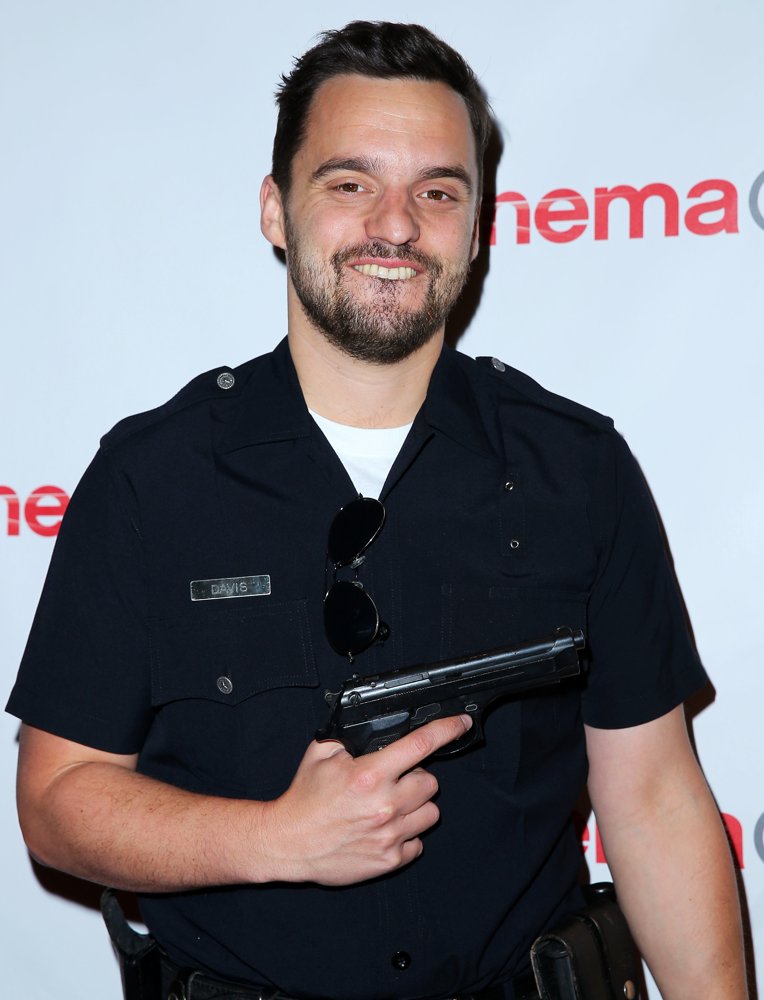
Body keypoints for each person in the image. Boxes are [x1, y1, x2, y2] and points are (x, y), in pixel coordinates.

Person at [6, 19, 747, 1000]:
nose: (394, 226)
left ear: (477, 229)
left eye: (436, 191)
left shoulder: (578, 468)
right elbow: (57, 801)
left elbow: (651, 797)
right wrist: (275, 837)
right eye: (349, 183)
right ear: (276, 210)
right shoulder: (153, 477)